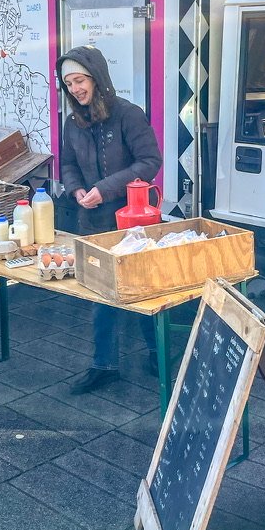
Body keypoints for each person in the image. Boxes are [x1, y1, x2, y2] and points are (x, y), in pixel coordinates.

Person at [57, 46, 162, 394]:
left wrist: (104, 189)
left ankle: (158, 355)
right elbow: (68, 164)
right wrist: (75, 189)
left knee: (144, 291)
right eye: (69, 83)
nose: (75, 89)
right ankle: (104, 365)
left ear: (97, 78)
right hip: (93, 221)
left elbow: (149, 162)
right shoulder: (73, 122)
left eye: (80, 80)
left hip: (133, 221)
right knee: (100, 296)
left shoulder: (128, 115)